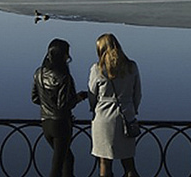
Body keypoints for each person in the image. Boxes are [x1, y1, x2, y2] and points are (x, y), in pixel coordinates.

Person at [32, 38, 88, 177]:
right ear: (62, 55)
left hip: (45, 123)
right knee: (59, 164)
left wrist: (48, 104)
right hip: (61, 125)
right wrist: (79, 98)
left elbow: (34, 98)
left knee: (67, 159)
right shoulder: (64, 77)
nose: (69, 57)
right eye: (67, 54)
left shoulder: (38, 73)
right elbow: (63, 105)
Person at [88, 33, 142, 177]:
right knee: (129, 163)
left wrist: (94, 110)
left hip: (103, 120)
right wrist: (132, 110)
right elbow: (137, 94)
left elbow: (92, 95)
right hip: (126, 118)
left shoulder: (97, 69)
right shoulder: (131, 67)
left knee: (105, 163)